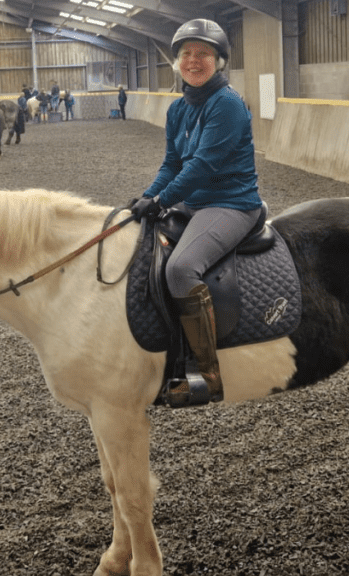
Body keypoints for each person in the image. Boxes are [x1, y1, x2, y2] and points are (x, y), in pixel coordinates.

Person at [129, 18, 263, 406]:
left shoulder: (228, 105)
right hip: (193, 201)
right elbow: (172, 163)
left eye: (203, 53)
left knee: (180, 268)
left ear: (219, 61)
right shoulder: (177, 110)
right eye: (186, 54)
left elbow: (203, 166)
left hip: (231, 203)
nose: (193, 60)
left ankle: (208, 373)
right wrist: (148, 197)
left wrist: (162, 200)